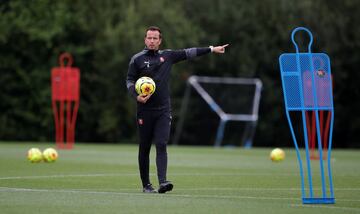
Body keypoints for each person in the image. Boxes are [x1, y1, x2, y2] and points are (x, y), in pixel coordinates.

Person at [126, 26, 228, 193]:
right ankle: (146, 185)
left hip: (163, 111)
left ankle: (163, 182)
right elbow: (129, 80)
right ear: (145, 39)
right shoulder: (136, 59)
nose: (152, 41)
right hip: (144, 110)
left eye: (155, 38)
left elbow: (189, 52)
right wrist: (136, 96)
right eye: (149, 38)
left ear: (160, 41)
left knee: (161, 143)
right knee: (144, 147)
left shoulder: (168, 56)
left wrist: (211, 49)